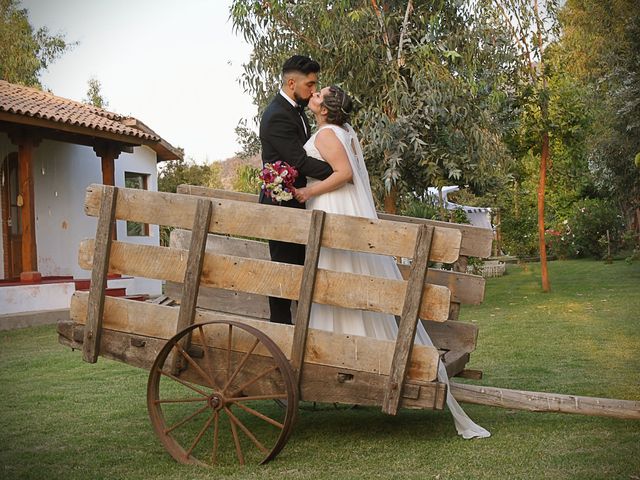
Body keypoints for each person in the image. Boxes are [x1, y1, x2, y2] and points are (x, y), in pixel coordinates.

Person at [294, 85, 491, 440]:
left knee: (338, 275)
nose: (315, 96)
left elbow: (343, 175)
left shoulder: (326, 134)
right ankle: (349, 353)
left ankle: (349, 355)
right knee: (343, 277)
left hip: (331, 209)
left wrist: (307, 191)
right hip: (338, 209)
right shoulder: (341, 132)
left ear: (326, 109)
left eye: (320, 94)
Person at [259, 55, 334, 325]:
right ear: (292, 83)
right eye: (310, 85)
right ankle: (280, 329)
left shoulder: (295, 111)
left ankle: (305, 329)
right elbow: (299, 161)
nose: (314, 91)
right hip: (282, 206)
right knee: (284, 272)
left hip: (299, 203)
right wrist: (338, 173)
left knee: (302, 270)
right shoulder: (277, 115)